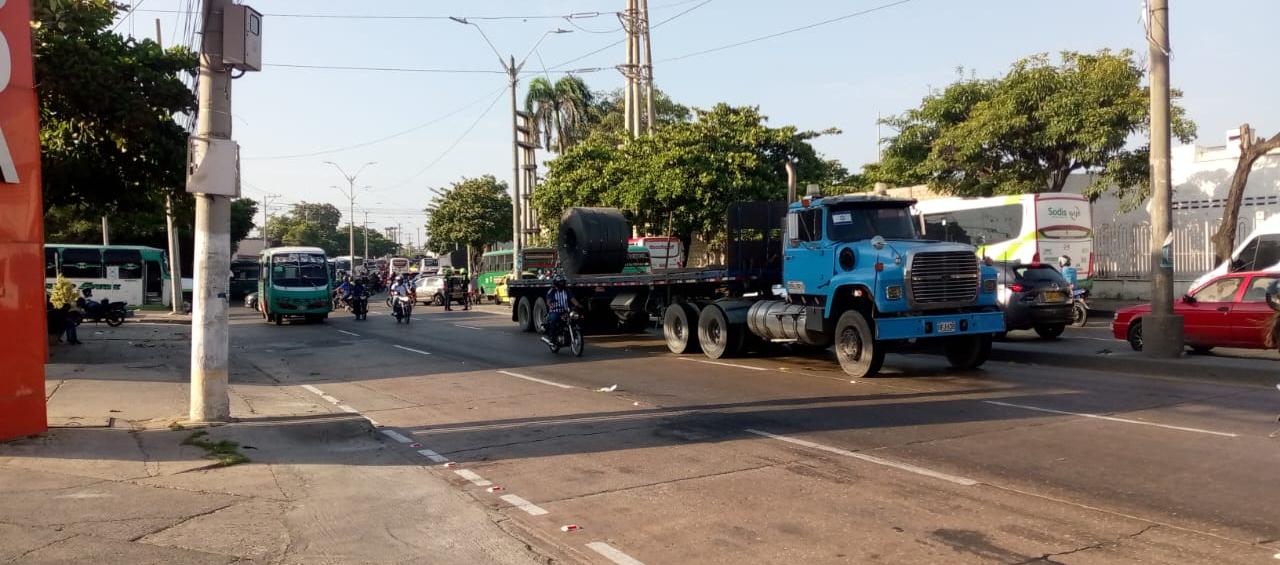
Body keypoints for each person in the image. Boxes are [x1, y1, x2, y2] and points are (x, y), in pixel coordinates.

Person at [541, 274, 581, 345]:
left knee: (575, 317)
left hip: (566, 311)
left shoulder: (567, 291)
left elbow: (572, 299)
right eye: (560, 282)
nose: (562, 283)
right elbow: (548, 301)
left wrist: (578, 305)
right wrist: (551, 305)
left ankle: (573, 333)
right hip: (555, 311)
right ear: (556, 283)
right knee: (554, 319)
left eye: (563, 282)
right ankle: (552, 338)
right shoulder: (552, 291)